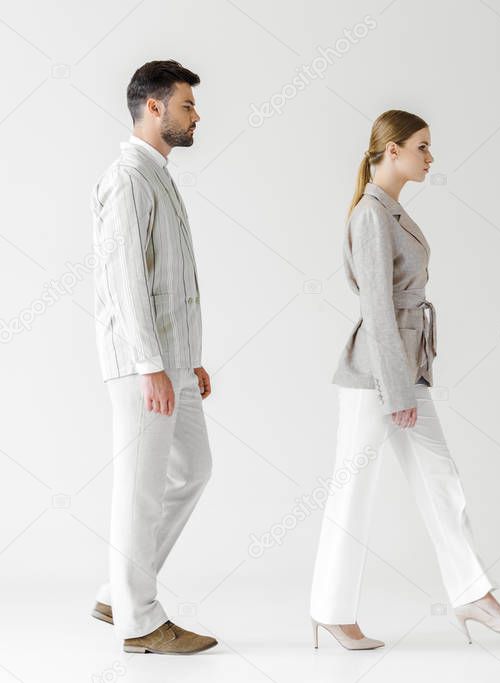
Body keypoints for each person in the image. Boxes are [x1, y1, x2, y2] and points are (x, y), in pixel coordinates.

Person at [310, 109, 500, 649]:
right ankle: (331, 611)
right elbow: (378, 308)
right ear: (393, 151)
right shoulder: (370, 215)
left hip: (408, 369)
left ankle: (472, 594)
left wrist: (411, 380)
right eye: (423, 147)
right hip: (376, 377)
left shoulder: (390, 210)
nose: (430, 157)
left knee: (440, 478)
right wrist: (397, 389)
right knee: (353, 490)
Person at [89, 59, 217, 655]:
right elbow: (125, 283)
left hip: (171, 362)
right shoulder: (127, 178)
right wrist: (149, 365)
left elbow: (168, 281)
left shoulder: (158, 175)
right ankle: (139, 622)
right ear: (155, 107)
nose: (197, 116)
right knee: (139, 488)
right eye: (188, 105)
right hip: (144, 365)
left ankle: (119, 589)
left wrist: (187, 359)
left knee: (193, 468)